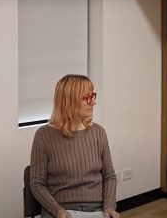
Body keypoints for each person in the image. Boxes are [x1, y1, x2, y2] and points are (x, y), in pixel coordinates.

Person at [30, 74, 119, 218]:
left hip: (96, 209)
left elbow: (109, 176)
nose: (93, 102)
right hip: (59, 210)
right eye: (87, 97)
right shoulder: (43, 135)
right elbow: (37, 184)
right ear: (69, 101)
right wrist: (58, 211)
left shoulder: (99, 132)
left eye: (93, 96)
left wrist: (109, 207)